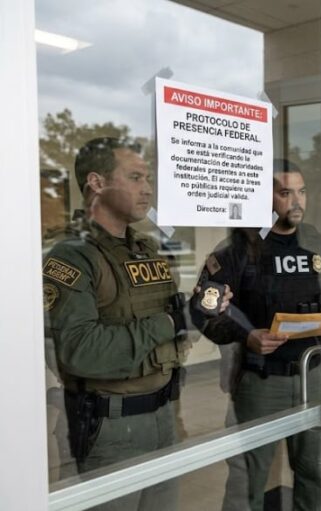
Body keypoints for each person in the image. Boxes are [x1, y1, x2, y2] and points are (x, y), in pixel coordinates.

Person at [43, 137, 228, 511]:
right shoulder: (72, 256)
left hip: (164, 413)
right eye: (135, 177)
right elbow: (78, 351)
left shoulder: (146, 249)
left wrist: (199, 310)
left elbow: (172, 328)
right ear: (96, 183)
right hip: (109, 424)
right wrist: (173, 319)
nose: (147, 189)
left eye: (148, 179)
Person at [192, 159, 321, 511]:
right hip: (263, 380)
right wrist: (247, 335)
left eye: (301, 191)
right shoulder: (239, 248)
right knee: (248, 476)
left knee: (316, 471)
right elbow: (203, 310)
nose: (296, 201)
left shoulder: (316, 241)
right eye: (285, 193)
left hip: (314, 374)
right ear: (265, 198)